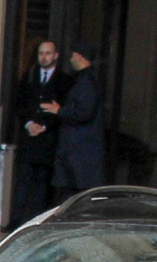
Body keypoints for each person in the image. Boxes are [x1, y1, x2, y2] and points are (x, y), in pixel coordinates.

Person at [7, 39, 67, 230]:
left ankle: (36, 223)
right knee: (23, 181)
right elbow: (19, 104)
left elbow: (63, 110)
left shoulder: (64, 80)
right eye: (41, 53)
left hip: (48, 140)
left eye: (48, 53)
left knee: (42, 184)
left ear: (56, 55)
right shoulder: (29, 76)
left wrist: (45, 127)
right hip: (29, 138)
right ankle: (16, 221)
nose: (44, 57)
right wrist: (29, 124)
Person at [50, 46, 106, 200]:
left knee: (76, 196)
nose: (71, 59)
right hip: (77, 152)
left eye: (73, 56)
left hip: (79, 152)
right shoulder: (85, 80)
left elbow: (84, 113)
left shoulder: (86, 82)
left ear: (80, 57)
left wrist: (59, 111)